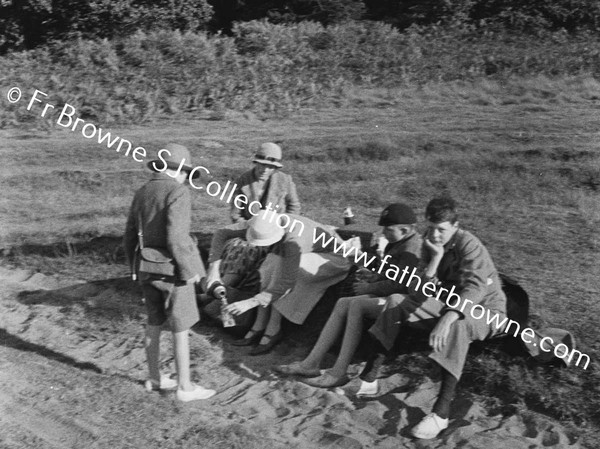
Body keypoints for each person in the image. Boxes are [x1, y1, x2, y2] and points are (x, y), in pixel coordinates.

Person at [361, 197, 508, 439]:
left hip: (487, 310)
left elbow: (475, 288)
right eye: (432, 227)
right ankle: (369, 377)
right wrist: (435, 260)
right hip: (449, 304)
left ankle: (441, 413)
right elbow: (416, 291)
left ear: (456, 226)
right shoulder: (430, 243)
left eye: (442, 229)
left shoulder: (469, 244)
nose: (436, 234)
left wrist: (448, 317)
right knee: (397, 301)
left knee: (458, 324)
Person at [273, 203, 423, 388]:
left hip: (404, 301)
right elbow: (391, 273)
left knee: (354, 305)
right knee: (344, 302)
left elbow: (400, 283)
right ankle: (310, 364)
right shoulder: (401, 241)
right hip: (391, 295)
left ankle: (337, 372)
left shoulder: (411, 248)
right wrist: (373, 275)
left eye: (388, 229)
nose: (384, 233)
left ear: (405, 229)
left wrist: (370, 288)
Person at [124, 143, 216, 402]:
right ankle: (185, 387)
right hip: (173, 271)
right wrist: (193, 272)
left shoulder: (142, 192)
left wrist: (135, 269)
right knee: (180, 328)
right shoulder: (178, 192)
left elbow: (129, 236)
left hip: (145, 267)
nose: (187, 178)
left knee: (153, 323)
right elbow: (176, 238)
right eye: (187, 173)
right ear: (179, 170)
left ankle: (154, 379)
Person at [206, 210, 352, 355]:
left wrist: (250, 302)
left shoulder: (294, 241)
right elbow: (222, 233)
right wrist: (213, 270)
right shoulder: (261, 221)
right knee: (269, 264)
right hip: (303, 250)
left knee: (286, 269)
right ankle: (259, 325)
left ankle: (273, 329)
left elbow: (285, 284)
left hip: (334, 258)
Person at [230, 142, 301, 223]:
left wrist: (285, 224)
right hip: (248, 229)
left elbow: (294, 206)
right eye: (262, 165)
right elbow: (235, 214)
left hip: (278, 228)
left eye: (270, 167)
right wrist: (250, 228)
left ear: (275, 168)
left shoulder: (285, 180)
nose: (265, 170)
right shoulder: (242, 181)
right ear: (256, 163)